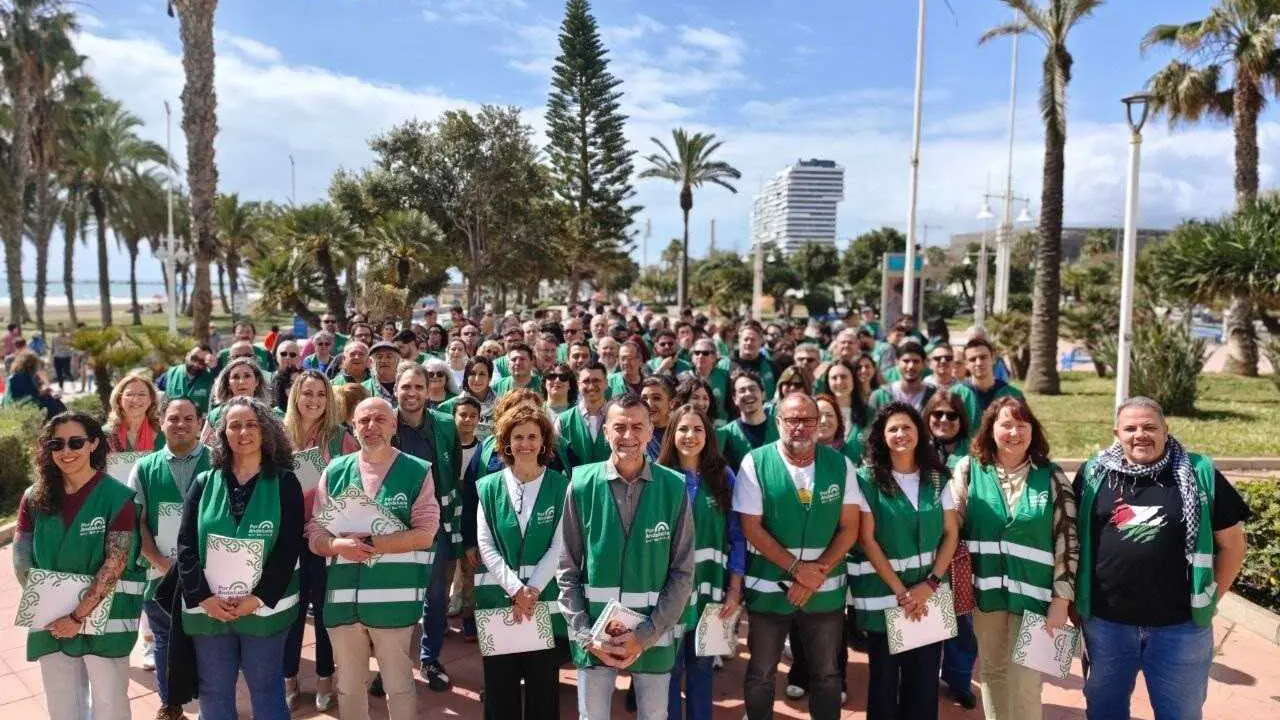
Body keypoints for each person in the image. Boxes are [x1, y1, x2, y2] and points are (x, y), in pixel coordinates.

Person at [1074, 397, 1250, 720]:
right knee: (1103, 711)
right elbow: (1072, 540)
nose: (1140, 434)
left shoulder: (1198, 472)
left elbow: (1234, 547)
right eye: (1131, 428)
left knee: (1180, 714)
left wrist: (1211, 596)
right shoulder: (1093, 473)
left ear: (1166, 431)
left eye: (1150, 427)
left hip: (1180, 629)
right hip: (1106, 625)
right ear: (1117, 433)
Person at [557, 393, 695, 720]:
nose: (628, 436)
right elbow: (567, 569)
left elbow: (682, 572)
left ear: (651, 432)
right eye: (619, 427)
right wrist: (584, 634)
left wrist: (645, 635)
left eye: (637, 427)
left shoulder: (674, 487)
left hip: (653, 635)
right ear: (605, 432)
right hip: (593, 637)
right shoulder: (580, 484)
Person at [307, 397, 439, 720]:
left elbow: (426, 533)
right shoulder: (335, 471)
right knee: (349, 687)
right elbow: (315, 532)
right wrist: (337, 545)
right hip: (343, 601)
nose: (371, 427)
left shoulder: (416, 471)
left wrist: (373, 543)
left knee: (399, 684)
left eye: (380, 419)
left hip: (393, 599)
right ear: (353, 427)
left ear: (394, 425)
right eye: (363, 421)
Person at [948, 395, 1078, 719]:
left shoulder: (1051, 476)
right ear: (991, 429)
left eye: (1022, 425)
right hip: (986, 596)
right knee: (992, 673)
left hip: (1037, 597)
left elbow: (1068, 539)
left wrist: (1061, 600)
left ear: (1033, 431)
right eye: (1006, 424)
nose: (1015, 433)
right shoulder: (969, 471)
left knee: (1025, 681)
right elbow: (950, 527)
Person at [175, 397, 303, 720]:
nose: (243, 431)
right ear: (223, 433)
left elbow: (288, 550)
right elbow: (186, 546)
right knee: (214, 691)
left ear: (266, 432)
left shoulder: (286, 483)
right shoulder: (204, 482)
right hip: (210, 609)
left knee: (266, 687)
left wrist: (256, 599)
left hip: (264, 608)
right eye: (234, 425)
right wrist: (204, 598)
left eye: (251, 424)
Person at [734, 393, 861, 720]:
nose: (800, 427)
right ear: (778, 423)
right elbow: (751, 527)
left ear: (819, 425)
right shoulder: (755, 463)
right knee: (761, 674)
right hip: (768, 593)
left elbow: (849, 528)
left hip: (825, 592)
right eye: (792, 419)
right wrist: (796, 569)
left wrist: (814, 574)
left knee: (828, 675)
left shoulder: (840, 465)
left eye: (808, 420)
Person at [13, 411, 143, 720]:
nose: (66, 451)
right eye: (57, 444)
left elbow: (116, 562)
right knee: (62, 707)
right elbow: (21, 557)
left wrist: (77, 614)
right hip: (52, 620)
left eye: (76, 442)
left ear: (93, 444)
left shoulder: (116, 497)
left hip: (104, 619)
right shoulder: (34, 498)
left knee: (109, 705)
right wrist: (50, 605)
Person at [849, 402, 959, 720]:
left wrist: (931, 583)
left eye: (907, 427)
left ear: (919, 433)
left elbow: (951, 534)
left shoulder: (938, 478)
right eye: (893, 429)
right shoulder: (866, 479)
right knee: (884, 683)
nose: (901, 434)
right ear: (881, 437)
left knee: (924, 684)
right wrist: (903, 593)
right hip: (887, 596)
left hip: (929, 595)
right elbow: (867, 540)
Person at [474, 407, 569, 719]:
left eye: (532, 436)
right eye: (518, 437)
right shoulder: (488, 487)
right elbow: (485, 544)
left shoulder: (560, 486)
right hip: (499, 603)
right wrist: (517, 589)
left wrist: (532, 591)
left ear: (543, 442)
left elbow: (560, 544)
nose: (525, 443)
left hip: (543, 604)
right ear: (506, 442)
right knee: (500, 694)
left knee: (543, 693)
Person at [659, 404, 745, 720]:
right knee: (667, 667)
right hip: (668, 593)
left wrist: (735, 589)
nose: (690, 436)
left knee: (702, 666)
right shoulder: (659, 476)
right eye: (683, 429)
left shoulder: (724, 476)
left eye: (697, 429)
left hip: (712, 592)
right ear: (672, 434)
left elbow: (737, 537)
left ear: (708, 435)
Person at [281, 369, 359, 711]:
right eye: (307, 393)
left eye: (321, 394)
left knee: (326, 610)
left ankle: (326, 676)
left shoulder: (341, 437)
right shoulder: (278, 437)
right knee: (290, 611)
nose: (313, 400)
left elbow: (355, 484)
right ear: (295, 396)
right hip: (285, 537)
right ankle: (289, 676)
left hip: (327, 535)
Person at [130, 396, 210, 720]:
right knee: (164, 638)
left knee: (208, 643)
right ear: (161, 422)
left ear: (199, 422)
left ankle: (211, 707)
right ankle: (170, 704)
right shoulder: (145, 468)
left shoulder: (218, 462)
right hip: (160, 573)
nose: (180, 424)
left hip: (208, 574)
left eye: (188, 418)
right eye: (173, 418)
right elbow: (136, 520)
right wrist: (160, 562)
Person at [391, 364, 462, 692]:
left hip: (436, 526)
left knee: (435, 597)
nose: (412, 393)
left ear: (428, 390)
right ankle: (392, 664)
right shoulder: (384, 424)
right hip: (391, 526)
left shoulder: (446, 426)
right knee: (396, 596)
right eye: (406, 386)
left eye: (419, 386)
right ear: (395, 390)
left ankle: (430, 657)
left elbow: (454, 471)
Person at [955, 337, 1023, 430]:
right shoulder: (955, 394)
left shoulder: (1014, 395)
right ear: (966, 364)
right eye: (972, 359)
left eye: (983, 357)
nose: (978, 363)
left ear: (993, 358)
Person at [200, 357, 271, 444]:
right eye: (235, 377)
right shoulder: (215, 416)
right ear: (228, 384)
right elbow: (204, 450)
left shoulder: (270, 414)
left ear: (257, 381)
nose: (241, 382)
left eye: (247, 376)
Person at [717, 370, 777, 472]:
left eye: (752, 389)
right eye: (742, 390)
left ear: (763, 395)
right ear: (734, 399)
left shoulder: (779, 426)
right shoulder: (726, 434)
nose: (748, 393)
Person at [556, 362, 611, 468]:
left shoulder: (618, 417)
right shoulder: (563, 421)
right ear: (578, 384)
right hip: (575, 483)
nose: (591, 386)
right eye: (586, 381)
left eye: (596, 380)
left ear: (606, 383)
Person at [866, 340, 936, 420]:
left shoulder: (934, 396)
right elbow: (869, 429)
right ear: (897, 362)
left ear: (924, 364)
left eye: (916, 361)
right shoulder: (880, 396)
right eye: (906, 361)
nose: (911, 366)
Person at [105, 373, 166, 453]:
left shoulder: (164, 433)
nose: (136, 399)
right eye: (129, 395)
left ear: (151, 399)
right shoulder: (105, 434)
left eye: (142, 394)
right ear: (119, 399)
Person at [3, 349, 66, 416]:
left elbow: (31, 393)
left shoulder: (19, 375)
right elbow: (32, 395)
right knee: (51, 401)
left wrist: (43, 392)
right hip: (17, 406)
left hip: (15, 404)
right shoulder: (22, 376)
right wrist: (44, 392)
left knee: (52, 400)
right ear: (30, 365)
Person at [725, 321, 777, 398]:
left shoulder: (772, 367)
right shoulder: (724, 365)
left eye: (753, 340)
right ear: (739, 340)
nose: (749, 343)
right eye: (746, 339)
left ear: (760, 342)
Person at [157, 347, 216, 416]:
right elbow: (155, 389)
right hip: (173, 422)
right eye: (194, 358)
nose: (196, 364)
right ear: (187, 355)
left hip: (200, 424)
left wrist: (215, 368)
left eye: (202, 362)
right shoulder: (172, 373)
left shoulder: (212, 377)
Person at [639, 375, 675, 461]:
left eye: (656, 398)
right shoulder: (634, 433)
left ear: (671, 403)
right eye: (644, 398)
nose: (649, 404)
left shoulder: (680, 432)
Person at [52, 324, 74, 389]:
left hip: (66, 356)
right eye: (59, 328)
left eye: (62, 328)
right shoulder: (54, 337)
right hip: (57, 357)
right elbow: (53, 348)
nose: (60, 330)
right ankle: (61, 387)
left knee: (66, 371)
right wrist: (51, 357)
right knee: (58, 373)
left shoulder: (68, 336)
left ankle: (72, 381)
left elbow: (71, 345)